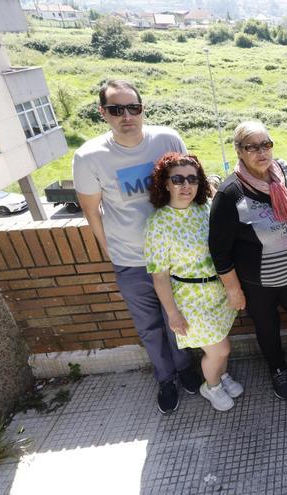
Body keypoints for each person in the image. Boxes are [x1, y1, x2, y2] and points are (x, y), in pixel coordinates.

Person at [73, 79, 201, 415]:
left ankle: (186, 367)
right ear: (103, 113)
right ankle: (166, 378)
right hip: (131, 260)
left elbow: (190, 181)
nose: (126, 115)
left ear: (143, 109)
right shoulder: (89, 157)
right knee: (149, 325)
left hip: (176, 257)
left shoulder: (167, 139)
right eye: (116, 109)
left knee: (178, 319)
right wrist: (112, 253)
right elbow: (92, 212)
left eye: (133, 107)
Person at [209, 121, 287, 400]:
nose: (261, 152)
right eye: (251, 147)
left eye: (265, 144)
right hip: (258, 283)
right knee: (267, 328)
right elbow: (219, 250)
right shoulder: (230, 194)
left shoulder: (284, 171)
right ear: (239, 151)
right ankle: (278, 369)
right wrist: (233, 289)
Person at [145, 153, 243, 412]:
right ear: (165, 183)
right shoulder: (158, 223)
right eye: (177, 179)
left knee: (220, 343)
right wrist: (173, 313)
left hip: (217, 292)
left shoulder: (206, 208)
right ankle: (209, 388)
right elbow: (159, 275)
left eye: (192, 178)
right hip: (191, 299)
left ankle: (220, 377)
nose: (186, 185)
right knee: (220, 349)